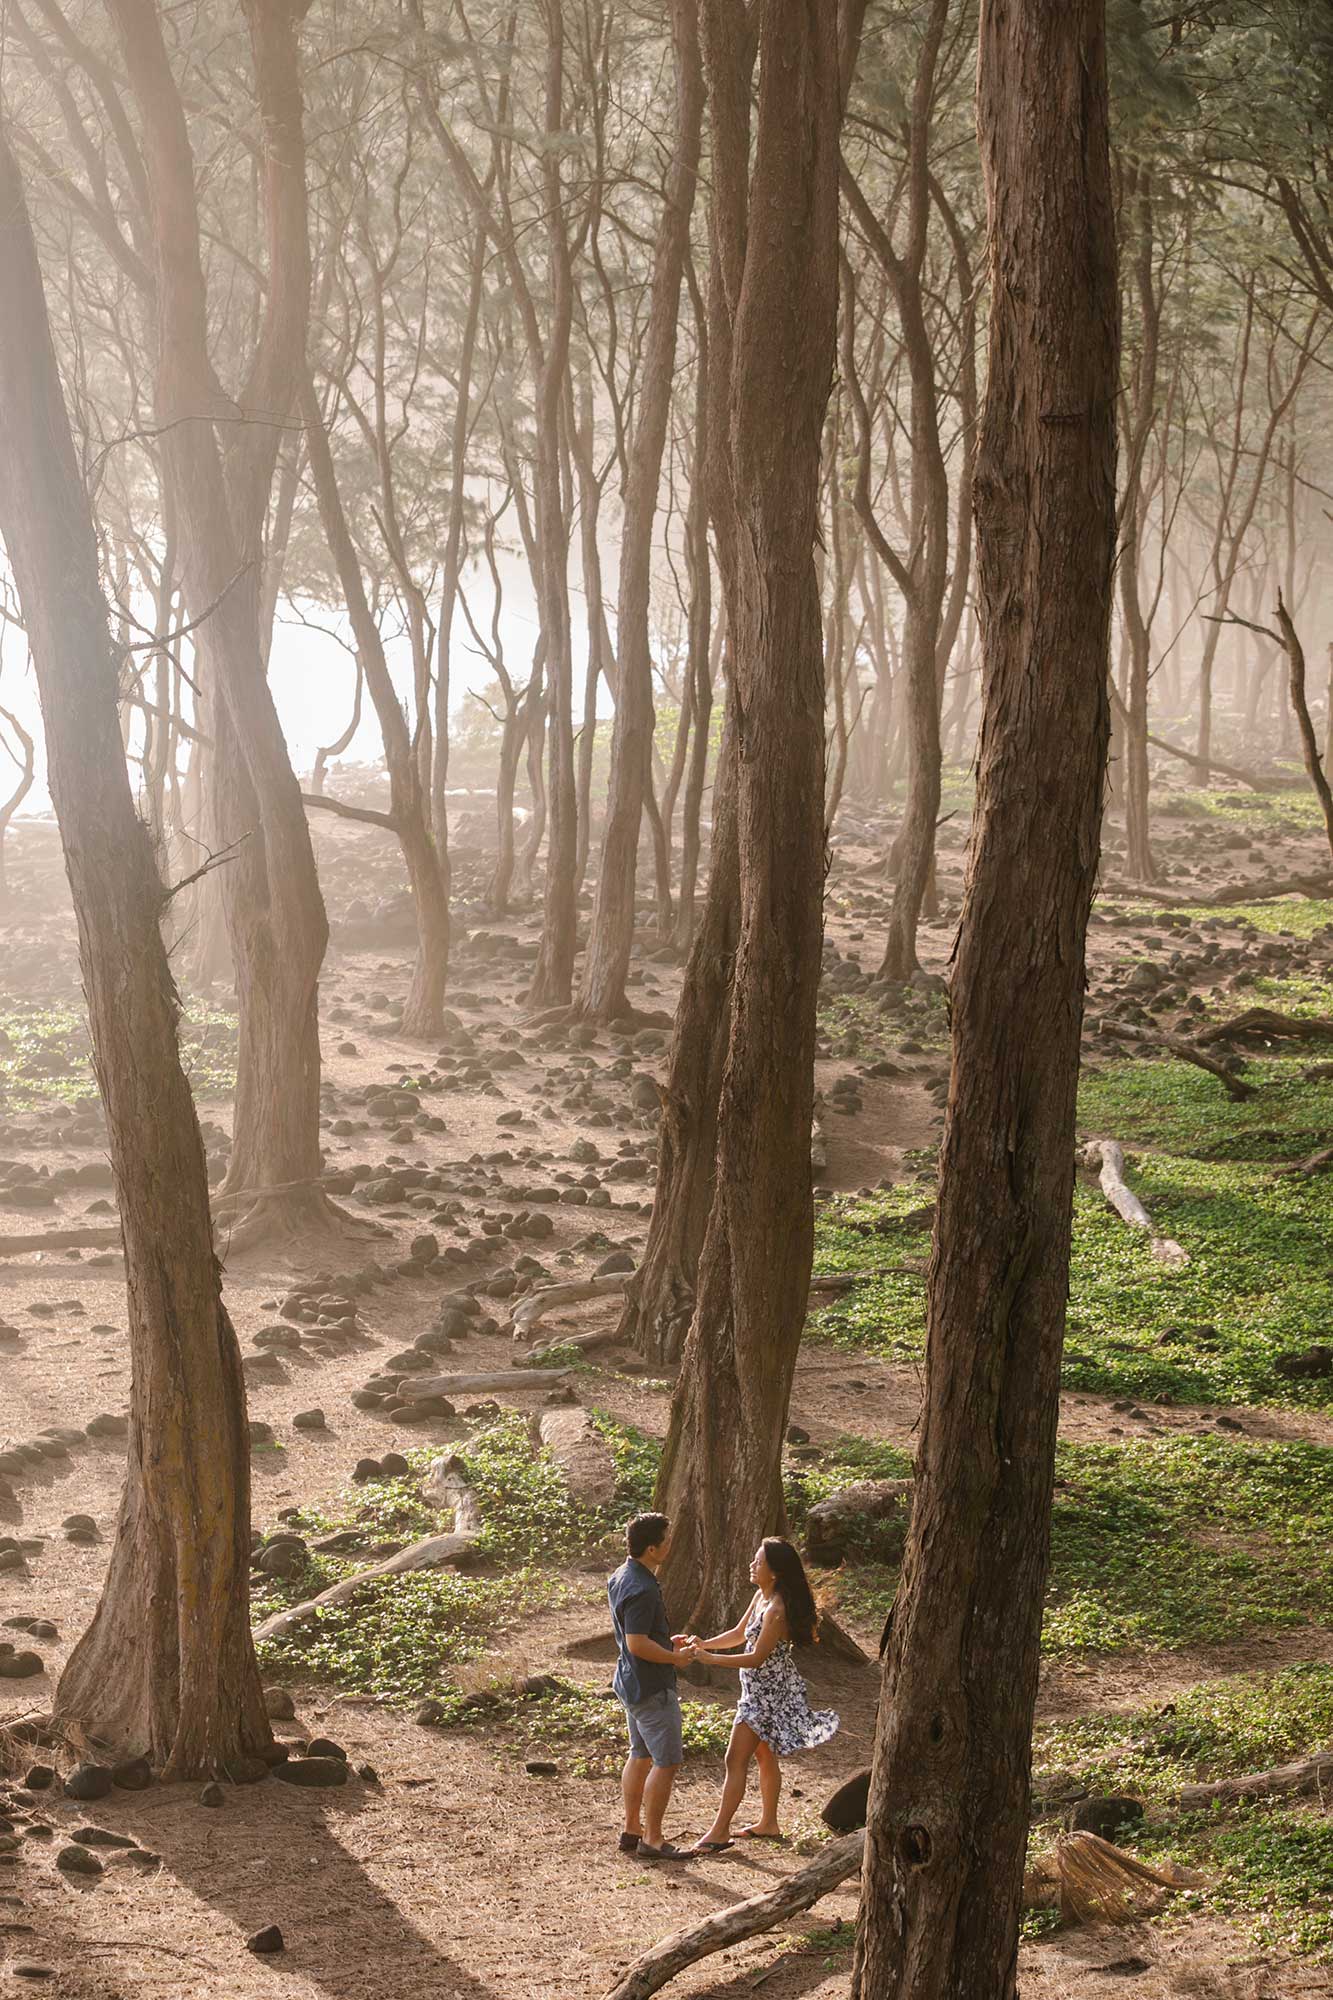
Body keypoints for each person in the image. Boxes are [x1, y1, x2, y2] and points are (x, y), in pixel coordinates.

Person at [686, 1538, 839, 1853]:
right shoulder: (761, 1597)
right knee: (764, 1755)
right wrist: (705, 1644)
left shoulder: (778, 1609)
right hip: (757, 1691)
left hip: (767, 1696)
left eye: (758, 1561)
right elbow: (739, 1635)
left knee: (734, 1758)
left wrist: (711, 1660)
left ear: (776, 1571)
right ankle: (769, 1823)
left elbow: (756, 1658)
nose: (752, 1565)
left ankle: (719, 1832)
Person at [607, 1512, 697, 1862]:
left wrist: (665, 1640)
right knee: (667, 1762)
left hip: (631, 1683)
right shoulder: (643, 1587)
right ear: (652, 1548)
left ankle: (632, 1830)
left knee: (640, 1754)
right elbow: (637, 1643)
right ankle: (654, 1840)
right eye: (667, 1540)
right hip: (651, 1687)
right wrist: (674, 1658)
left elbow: (639, 1635)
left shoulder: (622, 1574)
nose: (670, 1545)